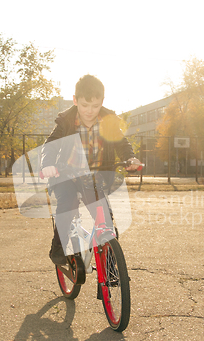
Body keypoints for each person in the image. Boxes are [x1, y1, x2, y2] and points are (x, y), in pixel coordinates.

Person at [40, 75, 141, 265]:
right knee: (68, 203)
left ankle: (111, 267)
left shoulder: (108, 121)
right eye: (85, 105)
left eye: (95, 106)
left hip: (94, 177)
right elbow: (51, 145)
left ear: (102, 101)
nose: (89, 111)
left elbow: (121, 143)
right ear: (75, 100)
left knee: (105, 220)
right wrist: (48, 164)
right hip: (66, 176)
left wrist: (130, 158)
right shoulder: (66, 121)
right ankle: (58, 248)